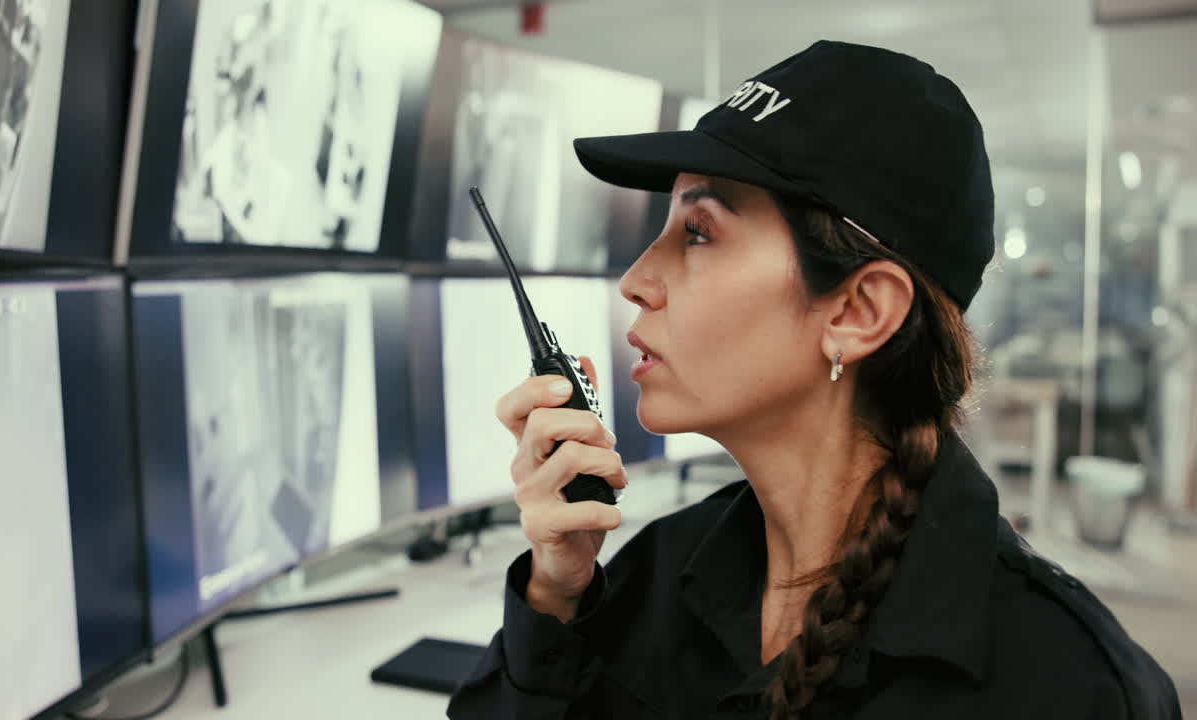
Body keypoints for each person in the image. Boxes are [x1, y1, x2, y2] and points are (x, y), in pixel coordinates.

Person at [445, 40, 1181, 719]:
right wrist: (554, 592)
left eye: (698, 234)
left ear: (860, 312)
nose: (636, 279)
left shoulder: (1067, 686)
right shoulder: (647, 579)